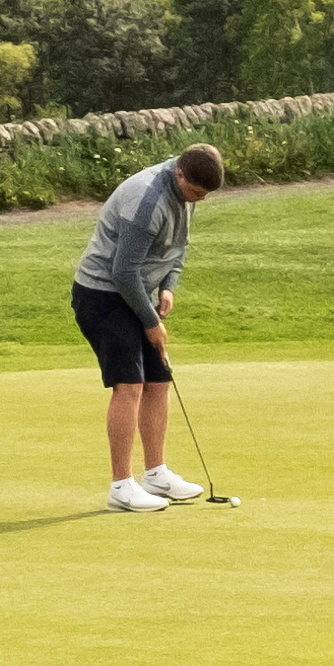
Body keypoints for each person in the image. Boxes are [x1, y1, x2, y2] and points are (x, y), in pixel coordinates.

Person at [73, 143, 226, 512]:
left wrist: (168, 286)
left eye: (204, 195)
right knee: (129, 384)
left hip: (135, 293)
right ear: (179, 174)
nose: (199, 200)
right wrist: (151, 321)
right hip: (103, 295)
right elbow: (123, 272)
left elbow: (178, 246)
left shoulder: (187, 191)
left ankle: (155, 474)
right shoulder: (148, 201)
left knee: (158, 380)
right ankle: (121, 486)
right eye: (196, 192)